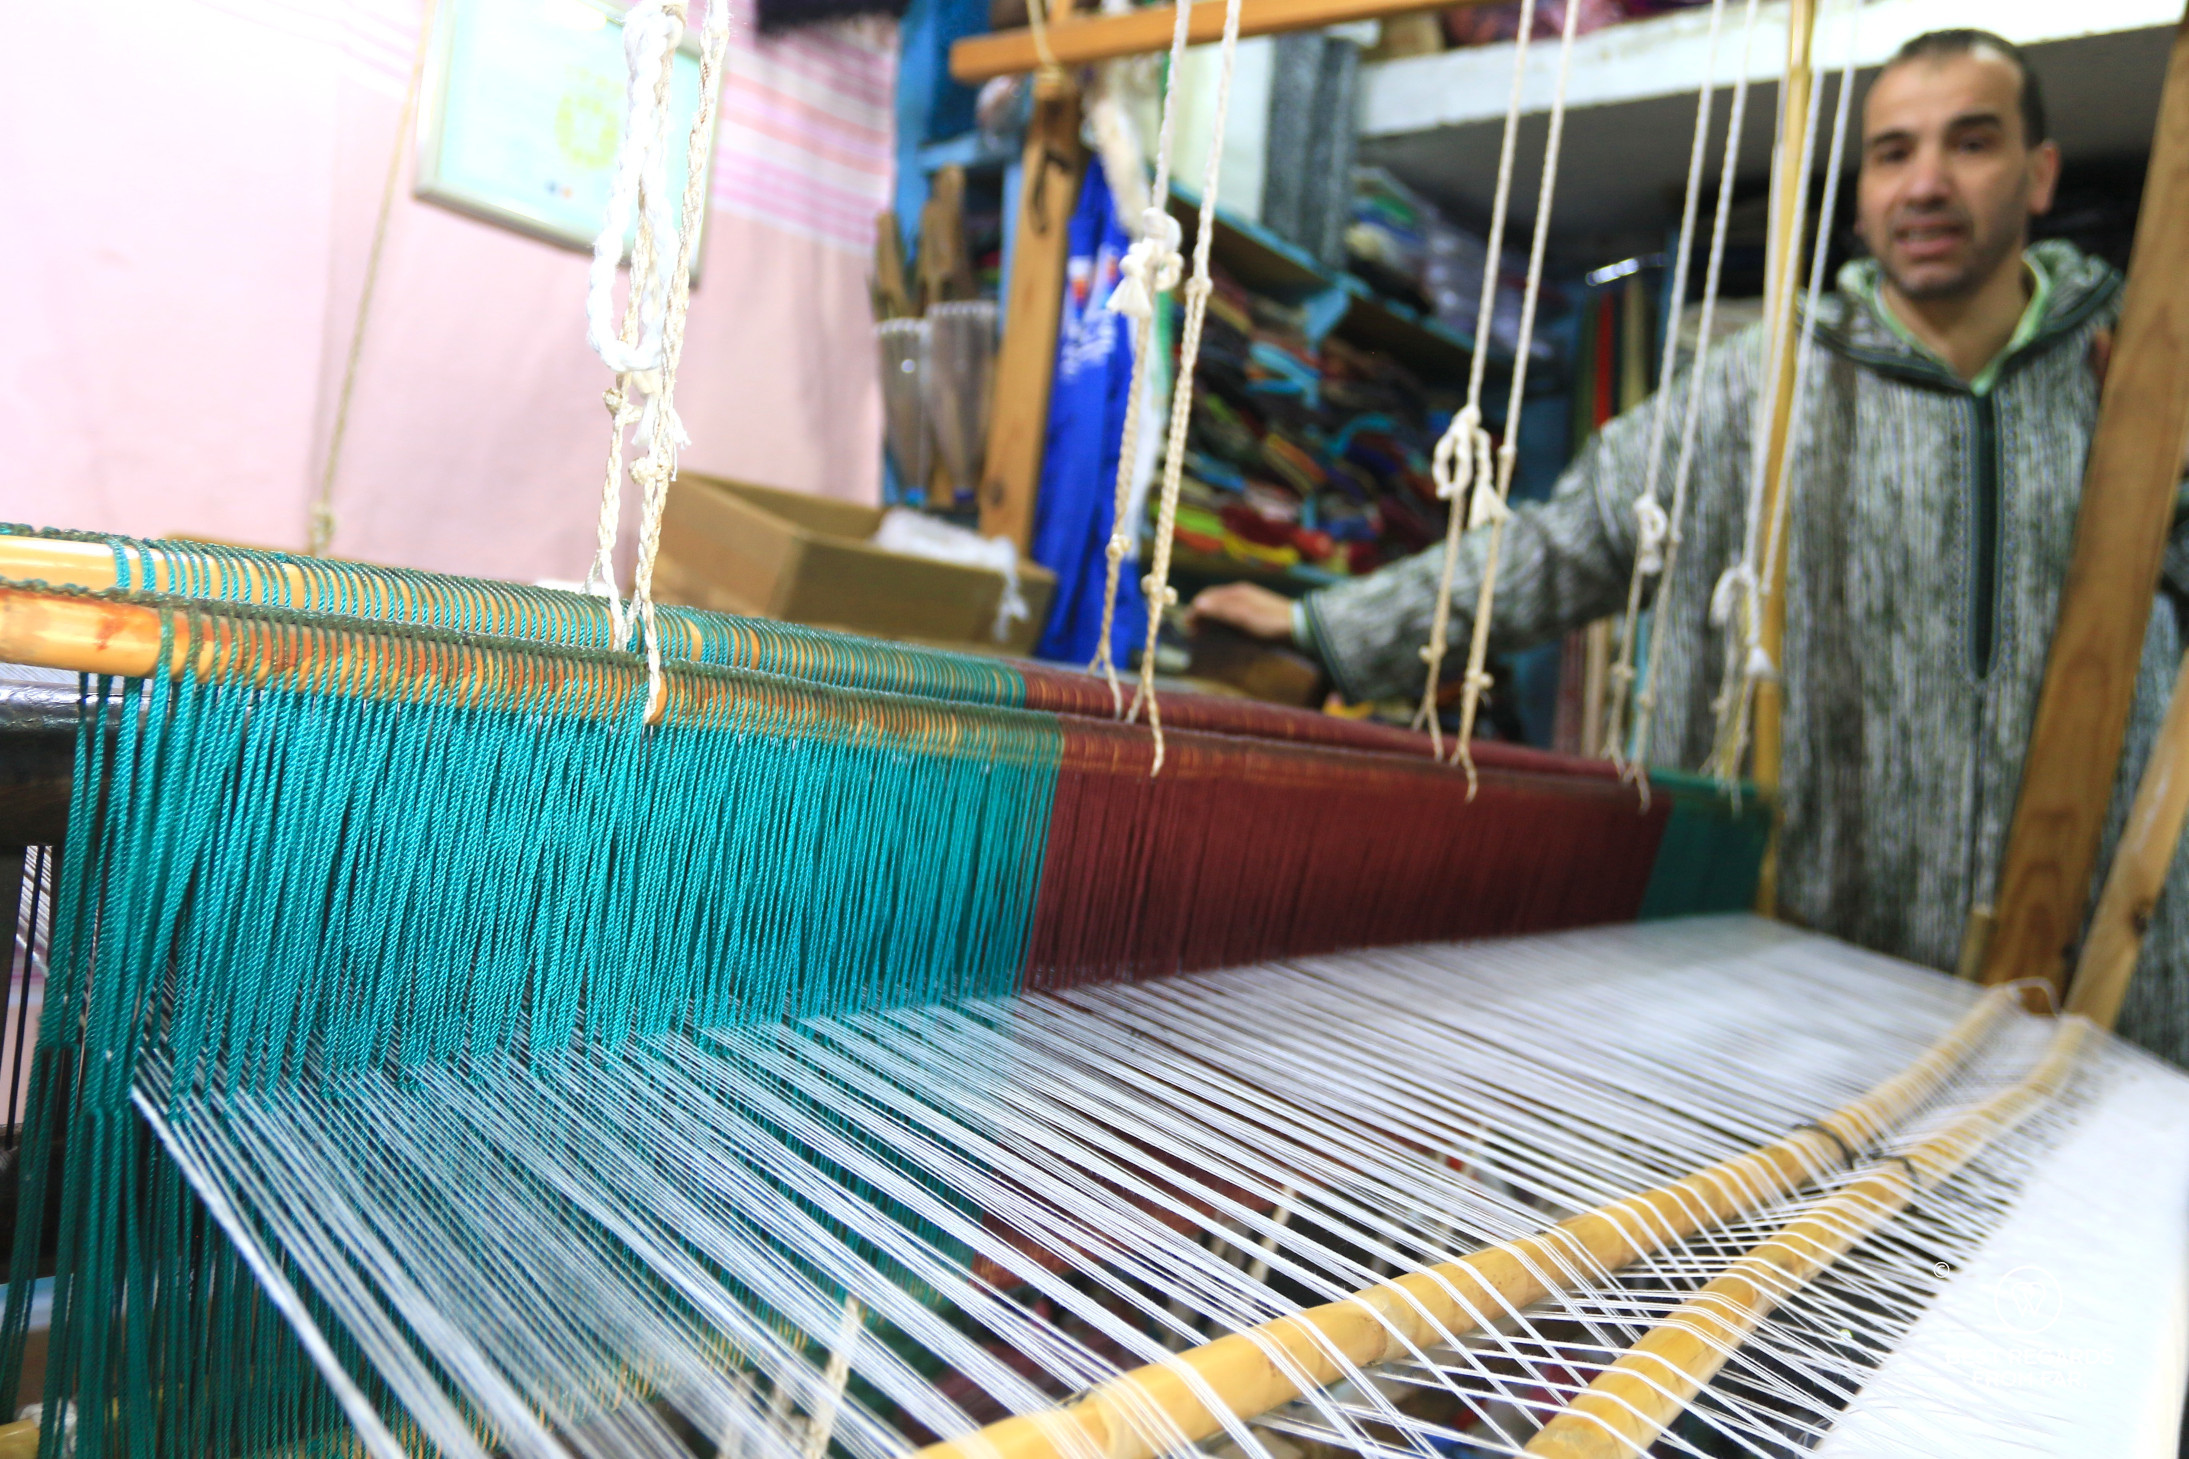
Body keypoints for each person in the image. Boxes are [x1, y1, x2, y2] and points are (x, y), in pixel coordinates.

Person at [1189, 29, 2189, 1065]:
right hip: (1825, 989)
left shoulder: (2135, 376)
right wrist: (1329, 626)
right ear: (1859, 193)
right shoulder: (1761, 385)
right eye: (1893, 153)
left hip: (2091, 982)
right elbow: (1568, 539)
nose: (1925, 183)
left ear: (2038, 176)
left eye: (1969, 144)